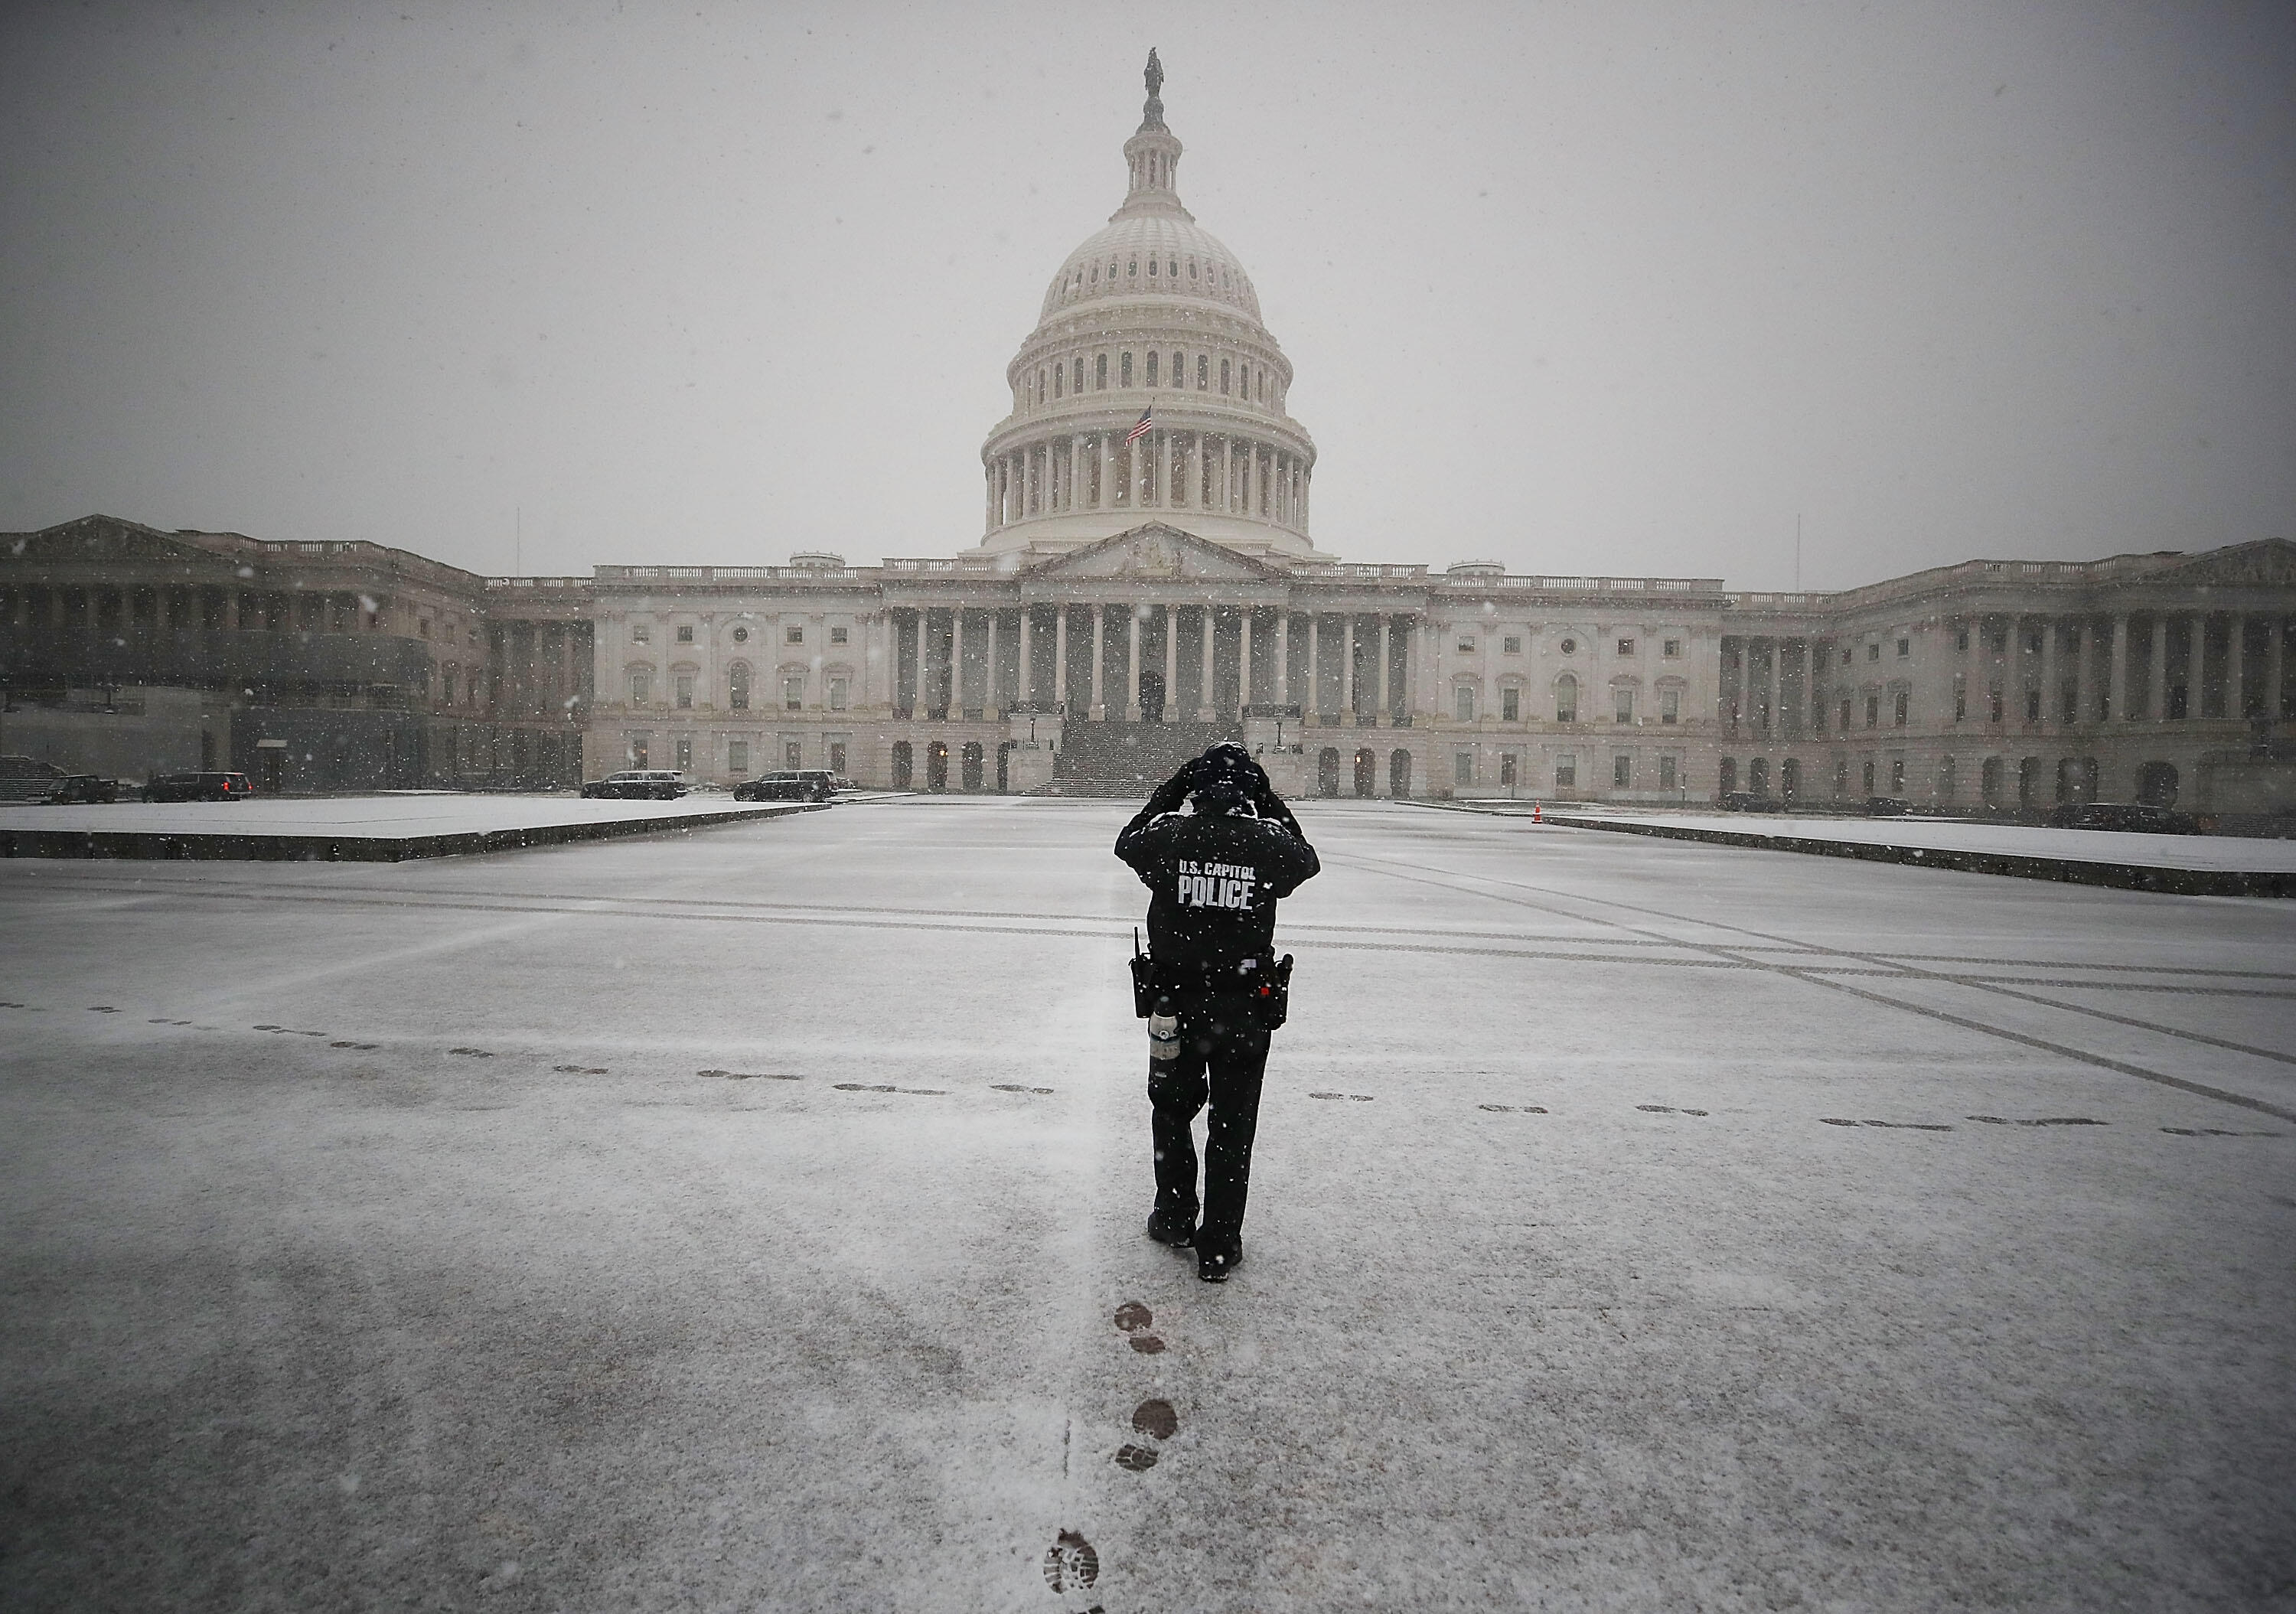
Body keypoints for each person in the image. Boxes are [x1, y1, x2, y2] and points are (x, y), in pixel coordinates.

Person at [1115, 742, 1319, 1282]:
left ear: (1196, 788)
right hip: (1243, 1007)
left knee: (1172, 1110)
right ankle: (1221, 1244)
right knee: (1232, 1128)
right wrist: (1267, 796)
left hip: (1175, 1004)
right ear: (1244, 792)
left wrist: (1173, 788)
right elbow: (1308, 858)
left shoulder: (1170, 837)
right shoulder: (1267, 842)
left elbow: (1126, 840)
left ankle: (1177, 1214)